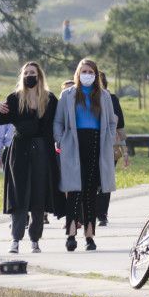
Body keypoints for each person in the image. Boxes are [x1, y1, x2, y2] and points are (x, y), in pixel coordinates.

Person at [0, 61, 59, 254]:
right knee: (19, 196)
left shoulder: (50, 99)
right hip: (19, 151)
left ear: (39, 76)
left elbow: (57, 123)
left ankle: (35, 238)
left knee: (38, 196)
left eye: (33, 73)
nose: (30, 75)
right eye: (26, 72)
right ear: (22, 76)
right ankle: (15, 239)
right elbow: (0, 118)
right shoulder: (14, 98)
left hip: (42, 151)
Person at [54, 58, 118, 252]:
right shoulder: (68, 95)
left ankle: (89, 235)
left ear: (96, 74)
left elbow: (112, 121)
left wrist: (110, 138)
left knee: (91, 190)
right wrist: (60, 139)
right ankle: (71, 233)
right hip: (74, 142)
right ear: (78, 73)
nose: (87, 75)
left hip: (97, 142)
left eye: (91, 72)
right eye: (84, 71)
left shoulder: (104, 96)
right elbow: (58, 122)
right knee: (74, 189)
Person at [95, 71, 128, 227]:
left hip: (109, 146)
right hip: (90, 144)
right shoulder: (82, 99)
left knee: (105, 179)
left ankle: (102, 214)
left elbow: (120, 127)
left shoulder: (113, 99)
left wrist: (125, 152)